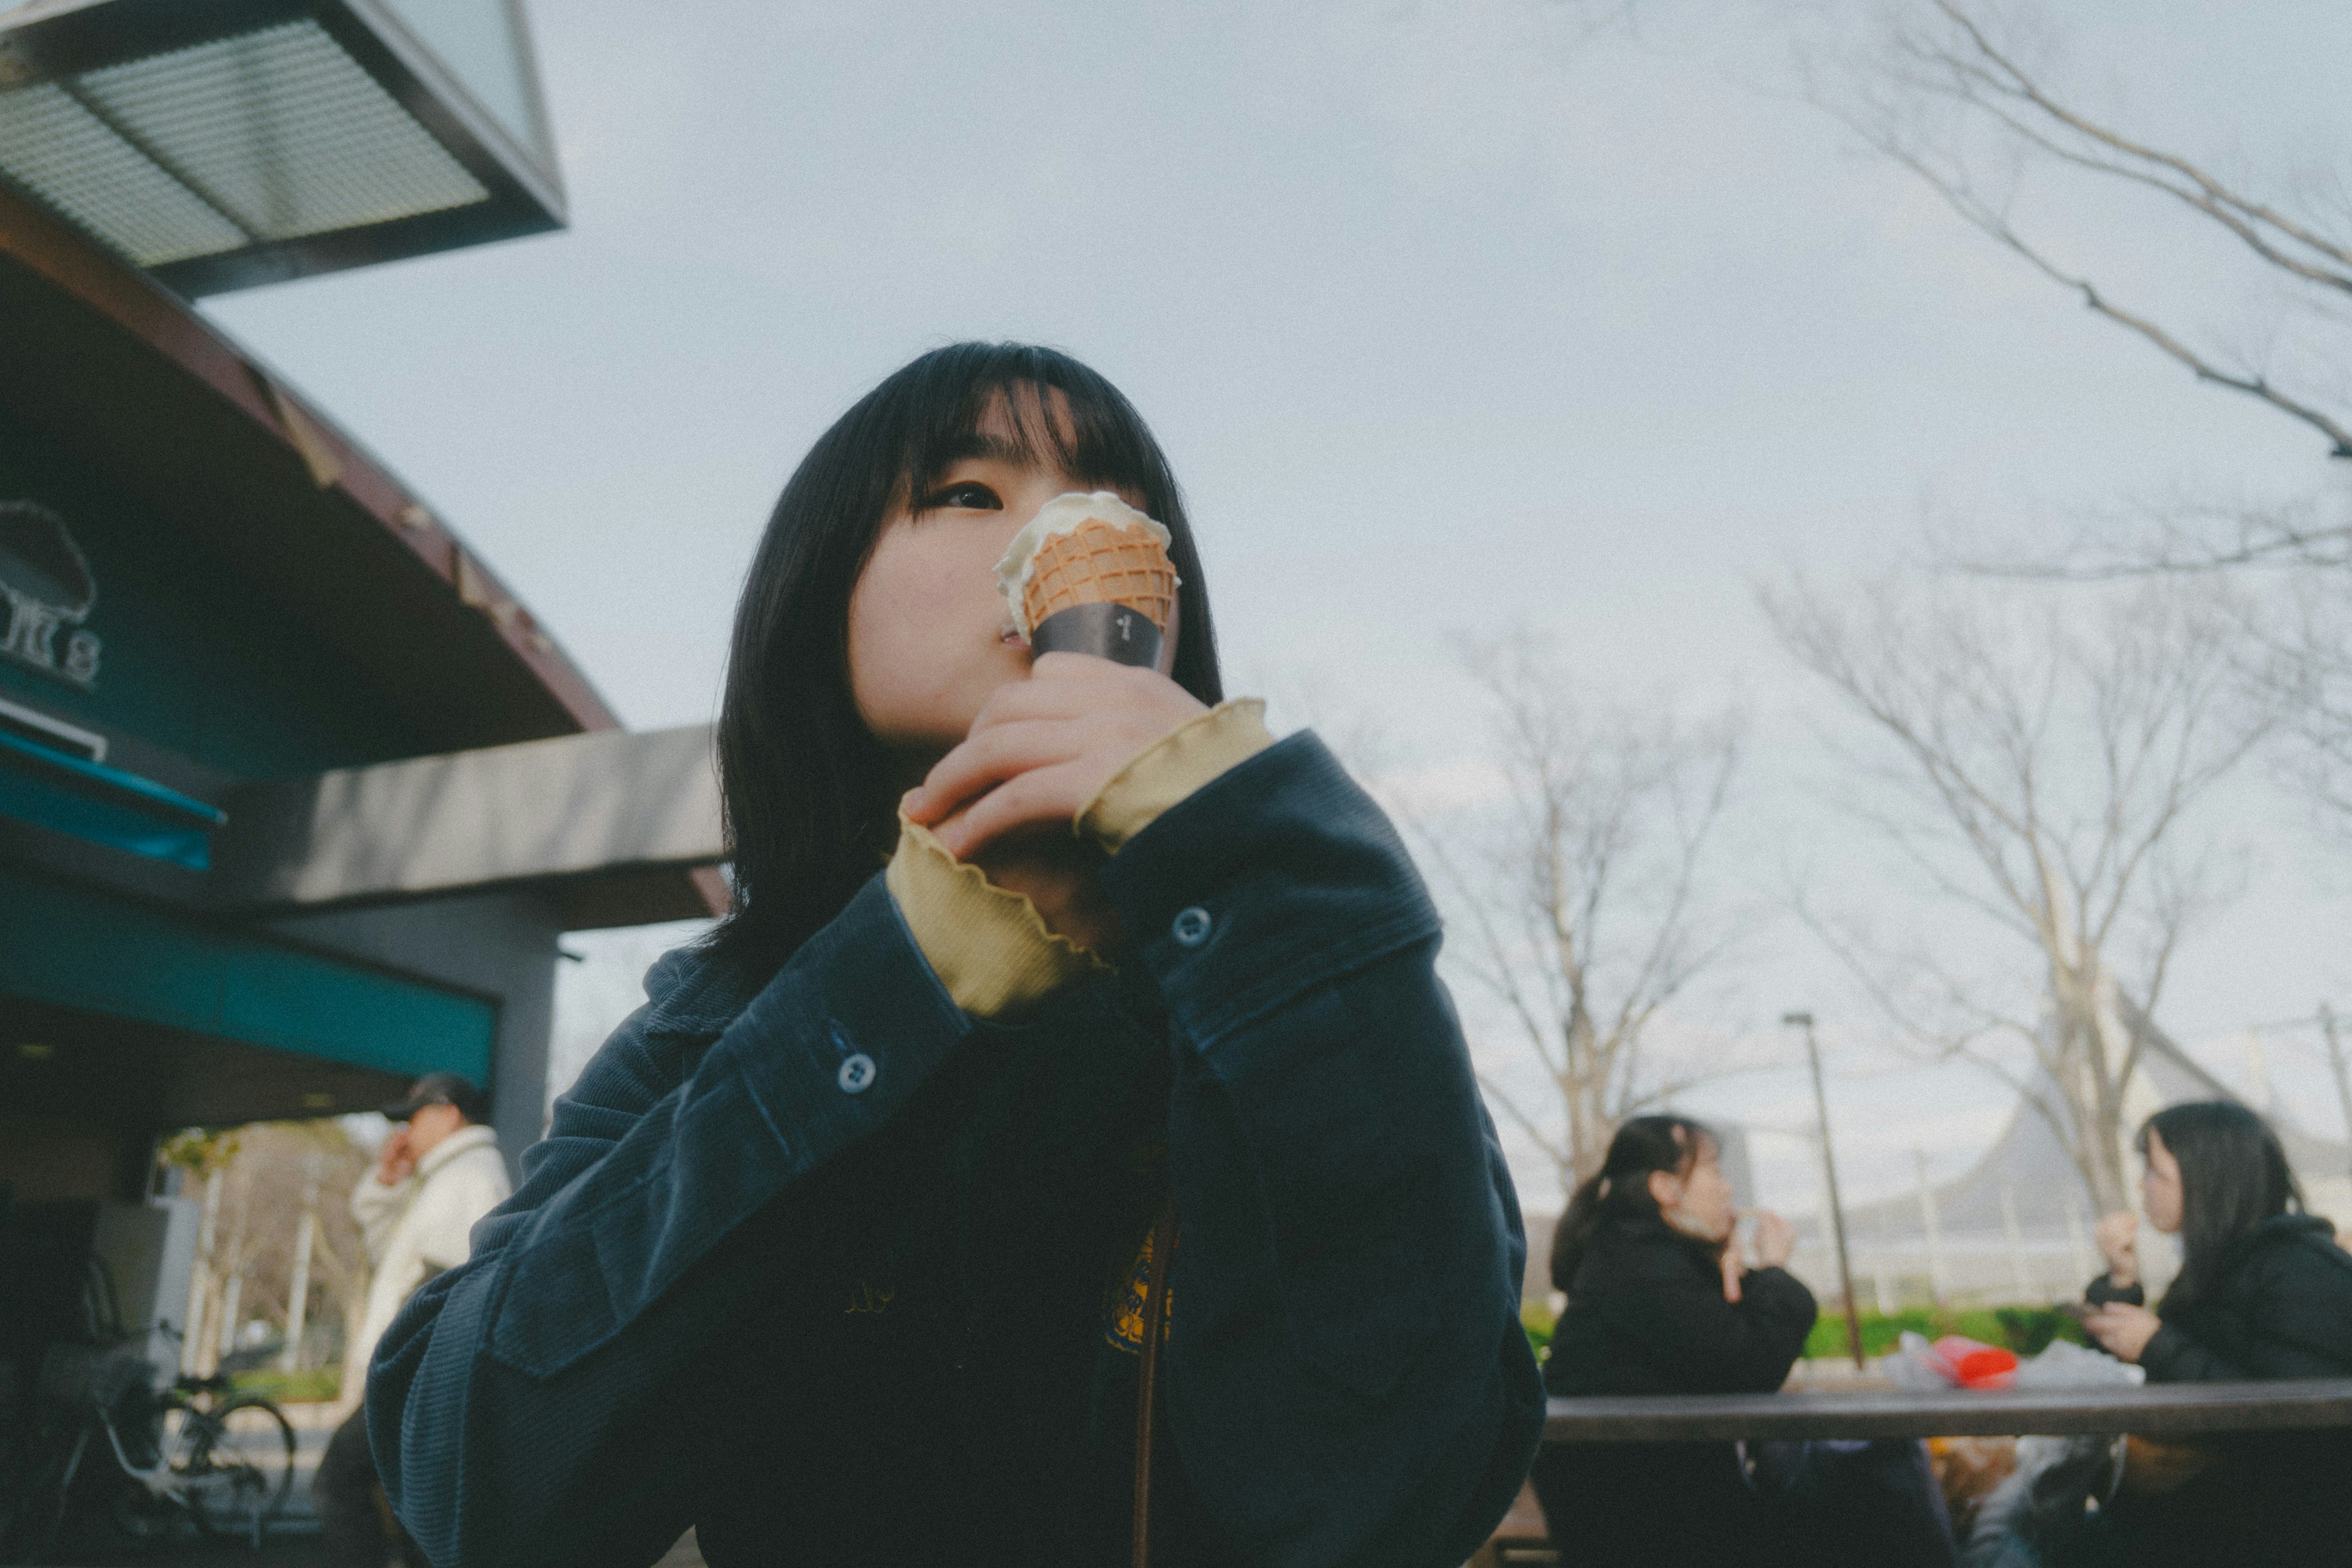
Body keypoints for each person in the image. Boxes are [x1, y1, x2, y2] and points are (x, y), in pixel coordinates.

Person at [365, 344, 1544, 1567]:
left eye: (1125, 506)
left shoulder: (1277, 973)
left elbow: (1404, 1485)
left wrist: (1272, 866)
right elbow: (467, 1470)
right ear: (820, 590)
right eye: (970, 493)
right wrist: (910, 965)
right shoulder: (730, 1005)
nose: (1078, 528)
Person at [2075, 1101, 2352, 1567]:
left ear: (2208, 1179)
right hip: (2226, 1510)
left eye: (2156, 1172)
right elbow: (2129, 1361)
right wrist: (2121, 1281)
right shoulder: (2225, 1264)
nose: (2143, 1186)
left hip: (2288, 1531)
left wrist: (2158, 1345)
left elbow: (2298, 1418)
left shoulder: (2299, 1268)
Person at [1530, 1117, 1815, 1566]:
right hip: (1637, 1517)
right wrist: (1775, 1270)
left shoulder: (1636, 1253)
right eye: (1714, 1171)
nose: (1727, 1190)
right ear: (1666, 1187)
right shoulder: (1639, 1262)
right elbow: (1747, 1363)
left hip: (1641, 1504)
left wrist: (1738, 1280)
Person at [315, 1073, 510, 1568]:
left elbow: (446, 1287)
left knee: (339, 1481)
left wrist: (396, 1373)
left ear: (449, 1114)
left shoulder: (469, 1176)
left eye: (415, 1117)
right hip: (419, 1378)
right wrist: (387, 1183)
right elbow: (391, 1256)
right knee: (413, 1508)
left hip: (415, 1376)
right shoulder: (446, 1177)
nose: (406, 1132)